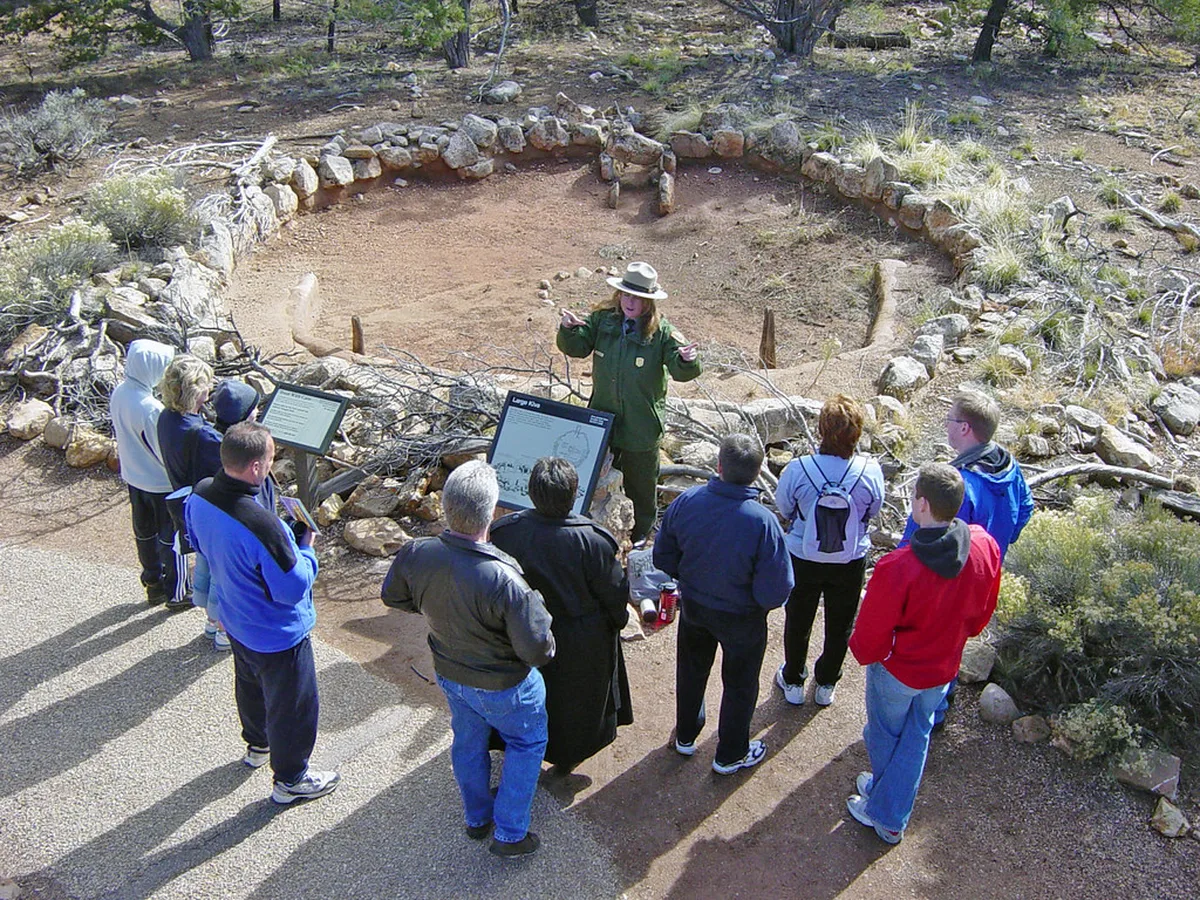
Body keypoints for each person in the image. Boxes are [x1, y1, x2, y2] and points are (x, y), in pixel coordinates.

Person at [381, 460, 555, 858]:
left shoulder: (417, 553)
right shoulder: (506, 578)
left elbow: (394, 597)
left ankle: (477, 818)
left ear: (445, 507)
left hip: (450, 673)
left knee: (468, 740)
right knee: (527, 743)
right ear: (491, 513)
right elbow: (537, 651)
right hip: (505, 685)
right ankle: (510, 833)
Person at [184, 422, 340, 804]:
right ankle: (291, 780)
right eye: (271, 458)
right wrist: (304, 549)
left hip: (236, 620)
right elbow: (292, 590)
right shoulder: (266, 526)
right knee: (293, 709)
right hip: (278, 635)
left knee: (250, 687)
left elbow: (199, 542)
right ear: (255, 468)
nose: (272, 465)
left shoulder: (200, 495)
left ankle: (257, 747)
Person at [846, 463, 1001, 844]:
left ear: (923, 505)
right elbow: (984, 607)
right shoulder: (983, 545)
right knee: (918, 732)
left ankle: (887, 814)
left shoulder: (899, 566)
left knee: (885, 734)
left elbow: (870, 632)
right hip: (944, 665)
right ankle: (887, 796)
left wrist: (870, 654)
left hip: (899, 670)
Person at [653, 434, 794, 775]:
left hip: (696, 609)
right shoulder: (763, 522)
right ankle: (730, 754)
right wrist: (757, 606)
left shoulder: (687, 502)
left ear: (718, 466)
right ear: (758, 473)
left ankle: (686, 735)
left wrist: (688, 580)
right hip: (743, 619)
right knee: (741, 684)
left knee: (691, 671)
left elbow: (662, 555)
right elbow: (778, 587)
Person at [490, 457, 632, 775]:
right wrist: (617, 622)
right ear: (574, 493)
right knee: (575, 704)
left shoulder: (505, 533)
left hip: (522, 631)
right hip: (582, 638)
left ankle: (515, 745)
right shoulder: (595, 540)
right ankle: (567, 757)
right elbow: (614, 594)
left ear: (531, 493)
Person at [557, 261, 702, 543]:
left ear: (649, 301)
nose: (629, 302)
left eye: (636, 297)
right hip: (602, 421)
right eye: (625, 295)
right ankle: (594, 537)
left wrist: (687, 360)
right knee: (595, 482)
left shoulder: (661, 333)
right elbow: (578, 346)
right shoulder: (603, 321)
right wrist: (568, 330)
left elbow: (681, 369)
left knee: (641, 491)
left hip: (641, 428)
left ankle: (637, 542)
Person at [774, 395, 884, 708]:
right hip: (849, 558)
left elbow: (784, 507)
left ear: (822, 430)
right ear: (857, 434)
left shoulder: (799, 469)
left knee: (798, 618)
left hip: (803, 555)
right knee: (841, 622)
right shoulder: (870, 470)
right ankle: (826, 683)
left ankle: (793, 679)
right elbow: (872, 510)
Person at [159, 357, 272, 650]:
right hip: (216, 514)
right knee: (225, 578)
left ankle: (211, 624)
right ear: (195, 390)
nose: (210, 388)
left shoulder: (168, 418)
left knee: (208, 568)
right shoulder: (205, 436)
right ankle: (224, 631)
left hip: (193, 507)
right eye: (205, 383)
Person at [900, 390, 1034, 560]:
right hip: (987, 568)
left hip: (955, 575)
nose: (946, 425)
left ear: (964, 428)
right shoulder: (1009, 464)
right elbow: (1026, 506)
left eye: (949, 419)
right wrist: (1001, 542)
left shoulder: (959, 485)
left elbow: (930, 535)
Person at [108, 339, 184, 607]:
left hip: (133, 477)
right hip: (158, 482)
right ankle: (176, 590)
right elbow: (163, 451)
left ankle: (152, 582)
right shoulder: (151, 408)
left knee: (144, 532)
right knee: (169, 537)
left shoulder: (120, 392)